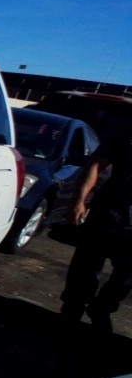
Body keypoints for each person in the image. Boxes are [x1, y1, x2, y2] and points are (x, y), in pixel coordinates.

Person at [60, 133, 132, 331]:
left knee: (127, 272)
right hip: (109, 210)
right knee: (87, 263)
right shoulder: (126, 133)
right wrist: (79, 201)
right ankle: (73, 307)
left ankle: (101, 308)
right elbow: (95, 165)